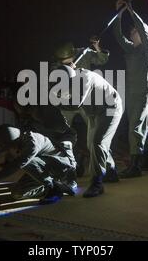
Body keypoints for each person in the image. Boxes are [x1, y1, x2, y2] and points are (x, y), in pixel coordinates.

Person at [54, 65, 123, 198]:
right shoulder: (68, 79)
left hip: (110, 108)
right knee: (91, 143)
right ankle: (111, 171)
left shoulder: (85, 78)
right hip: (94, 112)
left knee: (98, 142)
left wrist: (55, 100)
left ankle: (97, 183)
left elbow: (75, 104)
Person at [0, 124, 76, 203]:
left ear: (17, 141)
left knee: (25, 162)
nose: (9, 150)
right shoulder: (13, 145)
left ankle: (54, 189)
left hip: (61, 167)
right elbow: (7, 167)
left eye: (10, 147)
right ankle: (59, 186)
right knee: (17, 194)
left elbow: (12, 168)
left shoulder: (32, 143)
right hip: (42, 168)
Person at [53, 38, 110, 177]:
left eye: (68, 60)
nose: (66, 62)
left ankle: (106, 164)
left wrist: (97, 47)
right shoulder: (56, 64)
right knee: (61, 132)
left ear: (73, 53)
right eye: (63, 62)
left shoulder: (84, 53)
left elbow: (102, 60)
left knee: (97, 132)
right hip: (67, 103)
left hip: (85, 100)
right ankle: (71, 163)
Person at [113, 0, 148, 178]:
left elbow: (143, 29)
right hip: (131, 93)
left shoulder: (147, 47)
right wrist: (119, 14)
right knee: (141, 125)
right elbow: (117, 35)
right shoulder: (131, 49)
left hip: (141, 92)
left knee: (135, 127)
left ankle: (135, 166)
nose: (132, 33)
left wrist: (130, 10)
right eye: (131, 31)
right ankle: (145, 160)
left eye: (135, 31)